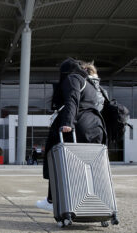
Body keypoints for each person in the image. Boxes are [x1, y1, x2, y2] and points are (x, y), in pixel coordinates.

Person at [36, 58, 107, 211]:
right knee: (88, 166)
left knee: (57, 161)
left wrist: (67, 122)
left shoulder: (73, 78)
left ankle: (51, 200)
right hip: (95, 127)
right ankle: (94, 201)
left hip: (79, 125)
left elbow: (72, 99)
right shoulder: (89, 83)